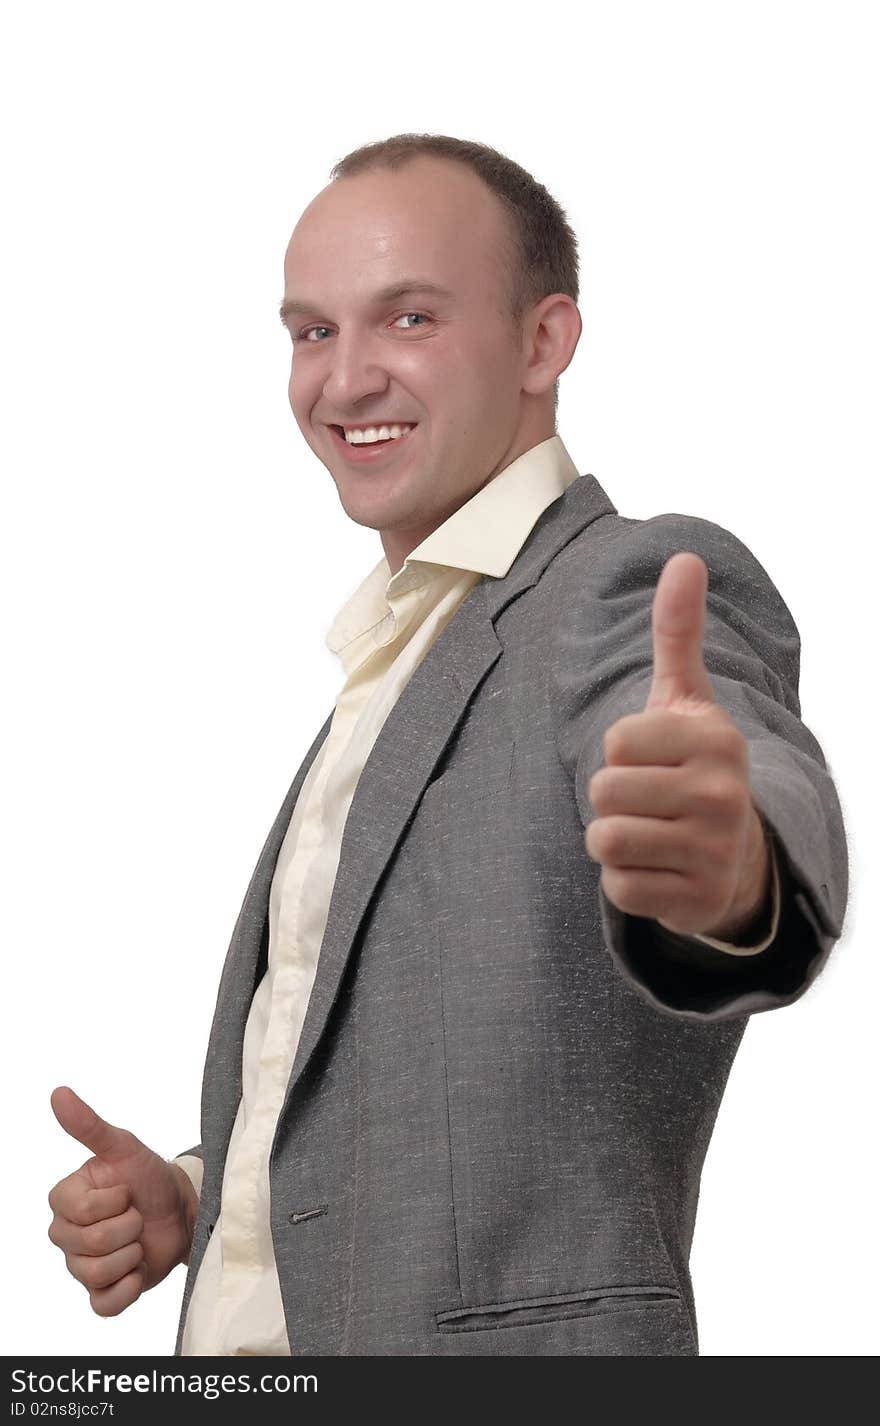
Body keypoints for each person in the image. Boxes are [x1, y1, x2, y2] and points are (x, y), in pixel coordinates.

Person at [47, 133, 848, 1356]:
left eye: (407, 318)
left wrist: (734, 865)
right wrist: (207, 1198)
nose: (345, 379)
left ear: (543, 341)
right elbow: (424, 1069)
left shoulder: (615, 589)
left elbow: (735, 780)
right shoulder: (399, 658)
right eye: (311, 332)